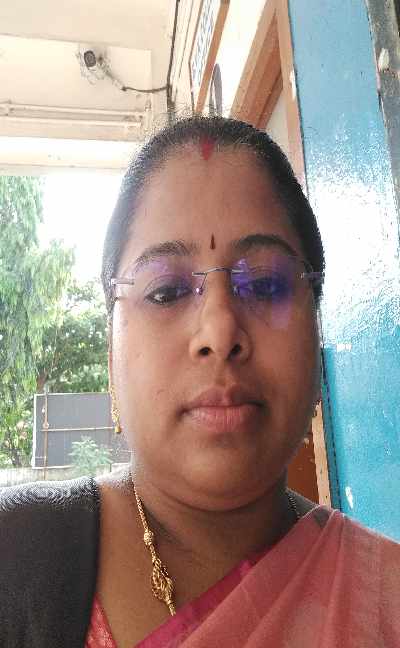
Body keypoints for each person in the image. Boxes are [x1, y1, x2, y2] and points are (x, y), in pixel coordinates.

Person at [1, 116, 399, 647]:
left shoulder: (385, 601)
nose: (219, 331)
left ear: (316, 328)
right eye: (165, 292)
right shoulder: (13, 557)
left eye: (265, 285)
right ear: (111, 348)